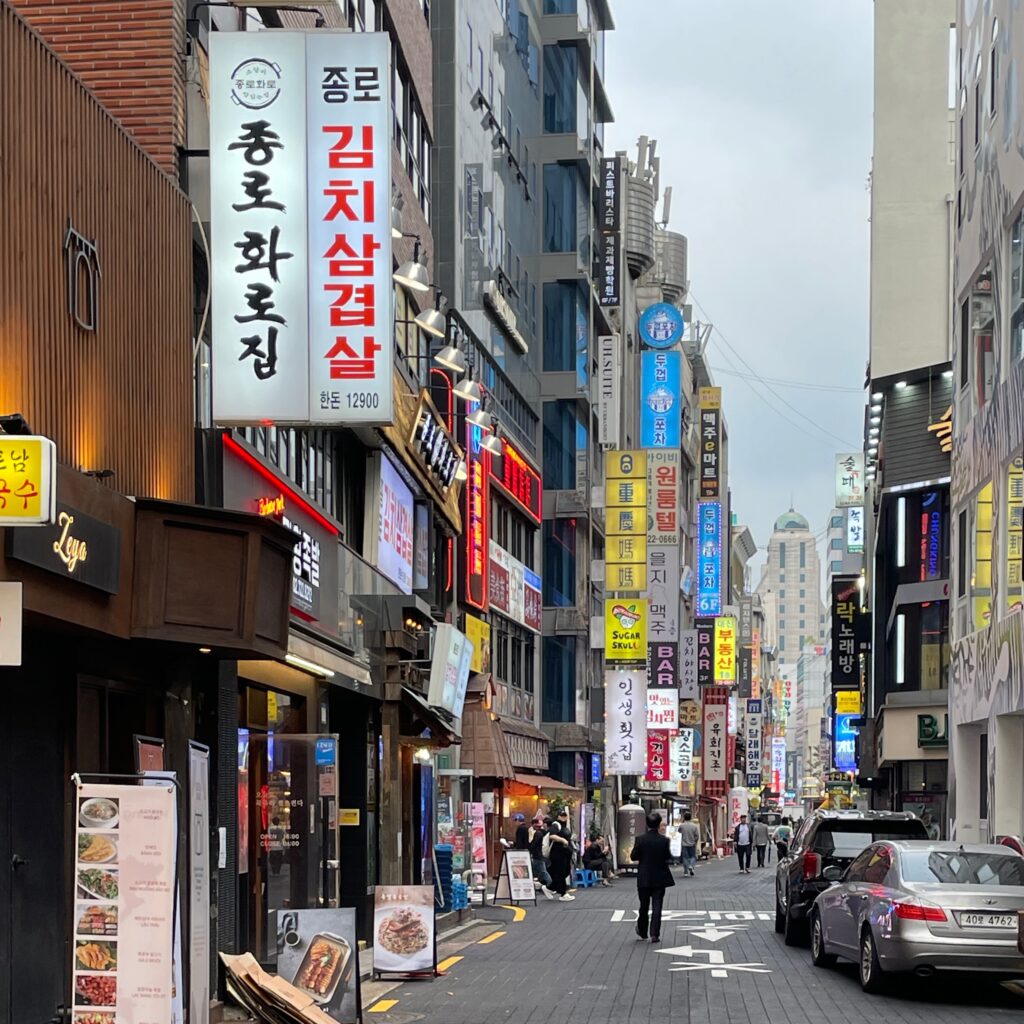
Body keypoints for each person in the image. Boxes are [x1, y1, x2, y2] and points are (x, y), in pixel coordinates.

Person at [630, 812, 675, 943]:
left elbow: (633, 856)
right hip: (660, 877)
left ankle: (642, 931)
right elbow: (668, 857)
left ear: (647, 824)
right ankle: (655, 934)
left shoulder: (640, 839)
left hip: (644, 877)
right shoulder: (664, 840)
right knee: (657, 906)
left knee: (643, 905)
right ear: (659, 824)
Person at [545, 818, 574, 901]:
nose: (564, 817)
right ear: (558, 816)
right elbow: (552, 836)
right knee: (560, 873)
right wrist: (563, 840)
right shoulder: (556, 825)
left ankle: (550, 888)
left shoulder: (566, 826)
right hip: (558, 855)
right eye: (562, 815)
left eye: (565, 815)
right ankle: (563, 894)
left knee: (565, 872)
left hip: (565, 854)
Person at [528, 815, 555, 898]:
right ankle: (545, 885)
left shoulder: (538, 834)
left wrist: (529, 849)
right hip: (539, 855)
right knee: (539, 872)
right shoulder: (542, 833)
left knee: (542, 872)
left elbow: (533, 844)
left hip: (538, 856)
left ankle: (551, 886)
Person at [679, 811, 700, 877]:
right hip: (692, 844)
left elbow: (678, 832)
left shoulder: (681, 825)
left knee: (685, 858)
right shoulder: (694, 826)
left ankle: (685, 872)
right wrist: (695, 841)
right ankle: (691, 866)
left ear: (684, 818)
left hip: (684, 844)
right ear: (690, 818)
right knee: (692, 857)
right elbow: (697, 835)